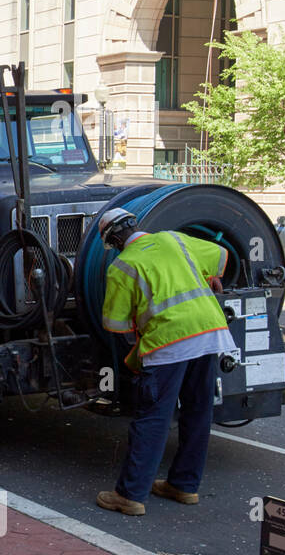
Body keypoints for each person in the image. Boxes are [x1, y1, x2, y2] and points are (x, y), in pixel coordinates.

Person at [95, 207, 237, 516]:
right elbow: (219, 255)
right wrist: (209, 277)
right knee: (199, 411)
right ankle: (184, 486)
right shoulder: (174, 240)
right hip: (210, 332)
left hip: (169, 345)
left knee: (153, 417)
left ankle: (130, 495)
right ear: (135, 225)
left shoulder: (123, 265)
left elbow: (116, 325)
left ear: (114, 240)